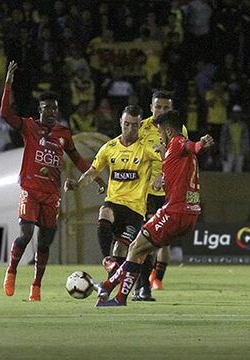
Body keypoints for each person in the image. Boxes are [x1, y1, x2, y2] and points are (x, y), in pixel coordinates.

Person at [0, 61, 105, 301]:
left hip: (52, 195)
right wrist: (8, 83)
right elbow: (5, 113)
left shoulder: (63, 133)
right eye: (47, 109)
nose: (52, 113)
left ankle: (36, 287)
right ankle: (12, 270)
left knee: (45, 244)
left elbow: (77, 159)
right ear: (40, 110)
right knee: (26, 235)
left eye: (55, 109)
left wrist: (95, 177)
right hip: (30, 190)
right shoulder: (28, 127)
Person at [94, 110, 214, 307]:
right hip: (190, 214)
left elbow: (191, 146)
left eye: (160, 132)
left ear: (167, 130)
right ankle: (118, 297)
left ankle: (108, 286)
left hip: (174, 212)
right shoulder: (174, 154)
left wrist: (200, 144)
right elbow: (180, 174)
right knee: (140, 252)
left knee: (134, 247)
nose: (159, 136)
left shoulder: (177, 142)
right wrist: (163, 179)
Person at [65, 105, 161, 286]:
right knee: (105, 212)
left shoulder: (146, 148)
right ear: (120, 123)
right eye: (127, 124)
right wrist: (77, 184)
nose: (130, 129)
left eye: (135, 125)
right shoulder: (109, 148)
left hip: (135, 210)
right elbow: (92, 172)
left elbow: (167, 160)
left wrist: (161, 176)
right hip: (114, 202)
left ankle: (113, 284)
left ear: (140, 125)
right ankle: (107, 260)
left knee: (122, 248)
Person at [138, 90, 188, 298]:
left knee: (164, 241)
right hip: (145, 192)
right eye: (158, 106)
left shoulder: (179, 129)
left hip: (169, 192)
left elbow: (182, 159)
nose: (161, 111)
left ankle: (156, 278)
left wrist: (167, 178)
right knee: (146, 239)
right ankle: (144, 282)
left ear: (172, 109)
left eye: (166, 107)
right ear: (151, 108)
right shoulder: (141, 127)